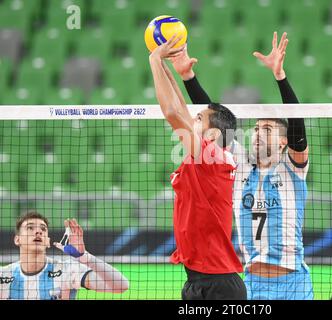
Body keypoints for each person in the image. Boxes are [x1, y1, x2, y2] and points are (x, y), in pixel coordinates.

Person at [170, 32, 312, 300]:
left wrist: (280, 77)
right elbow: (214, 121)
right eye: (256, 128)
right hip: (250, 282)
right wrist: (188, 78)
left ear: (283, 142)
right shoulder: (240, 166)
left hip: (293, 283)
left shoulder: (293, 169)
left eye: (267, 128)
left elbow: (297, 125)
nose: (258, 132)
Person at [148, 35, 246, 300]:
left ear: (213, 135)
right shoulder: (203, 157)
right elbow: (179, 107)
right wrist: (168, 69)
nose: (192, 117)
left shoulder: (212, 157)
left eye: (199, 118)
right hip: (195, 281)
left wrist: (155, 60)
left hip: (220, 287)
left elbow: (171, 112)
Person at [0, 212, 129, 300]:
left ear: (47, 241)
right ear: (17, 240)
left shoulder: (67, 269)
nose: (38, 231)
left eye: (43, 229)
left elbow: (121, 286)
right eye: (30, 228)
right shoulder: (3, 276)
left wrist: (85, 257)